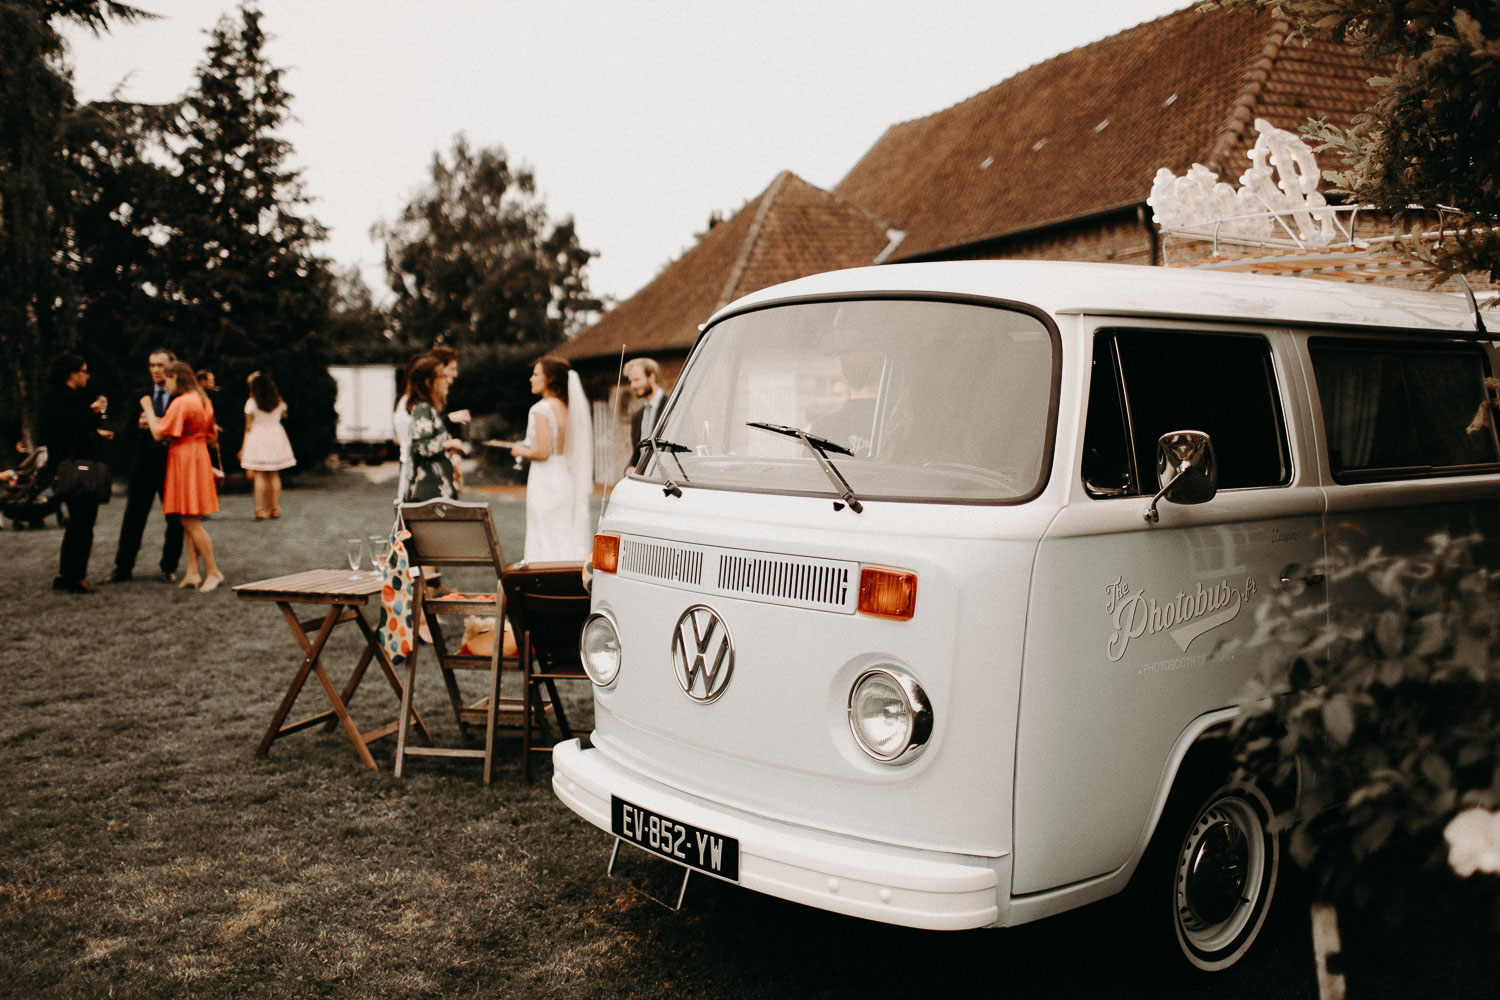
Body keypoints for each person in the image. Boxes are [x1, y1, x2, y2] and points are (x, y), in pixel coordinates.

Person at [141, 362, 224, 591]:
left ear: (176, 377)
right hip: (197, 455)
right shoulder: (202, 400)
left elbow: (159, 435)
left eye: (167, 380)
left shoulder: (182, 402)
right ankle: (193, 573)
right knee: (190, 517)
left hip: (185, 458)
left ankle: (214, 571)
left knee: (189, 520)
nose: (165, 386)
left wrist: (148, 408)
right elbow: (210, 435)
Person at [108, 347, 184, 583]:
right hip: (143, 465)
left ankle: (168, 567)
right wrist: (138, 428)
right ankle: (123, 568)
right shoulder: (141, 395)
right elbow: (127, 430)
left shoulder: (181, 396)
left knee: (175, 519)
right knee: (133, 517)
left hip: (171, 465)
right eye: (152, 365)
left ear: (172, 367)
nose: (155, 370)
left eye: (160, 365)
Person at [40, 352, 112, 593]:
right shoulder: (74, 400)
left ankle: (63, 574)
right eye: (83, 370)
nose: (87, 376)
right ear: (73, 374)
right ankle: (77, 577)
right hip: (79, 470)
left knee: (74, 524)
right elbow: (82, 434)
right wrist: (97, 415)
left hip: (61, 467)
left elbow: (60, 432)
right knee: (83, 525)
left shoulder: (51, 399)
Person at [511, 356, 594, 562]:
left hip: (545, 480)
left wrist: (519, 450)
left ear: (549, 379)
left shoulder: (540, 409)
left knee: (543, 534)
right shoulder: (567, 408)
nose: (531, 379)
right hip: (563, 477)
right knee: (560, 534)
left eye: (536, 374)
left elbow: (542, 452)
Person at [402, 356, 463, 502]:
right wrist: (450, 444)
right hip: (427, 496)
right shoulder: (423, 408)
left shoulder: (430, 409)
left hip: (435, 495)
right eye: (442, 376)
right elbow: (422, 446)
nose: (446, 380)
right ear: (429, 382)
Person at [239, 371, 296, 519]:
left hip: (257, 437)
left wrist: (243, 447)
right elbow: (284, 416)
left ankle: (260, 510)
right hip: (276, 436)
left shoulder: (251, 403)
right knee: (274, 474)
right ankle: (275, 508)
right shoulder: (278, 401)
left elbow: (248, 426)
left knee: (259, 474)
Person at [809, 352, 883, 456]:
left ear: (843, 375)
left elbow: (811, 470)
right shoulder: (898, 424)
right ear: (881, 374)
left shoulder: (823, 427)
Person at [624, 357, 666, 471]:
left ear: (651, 376)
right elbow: (637, 455)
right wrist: (629, 468)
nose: (633, 385)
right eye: (631, 381)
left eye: (637, 380)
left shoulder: (672, 408)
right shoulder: (637, 416)